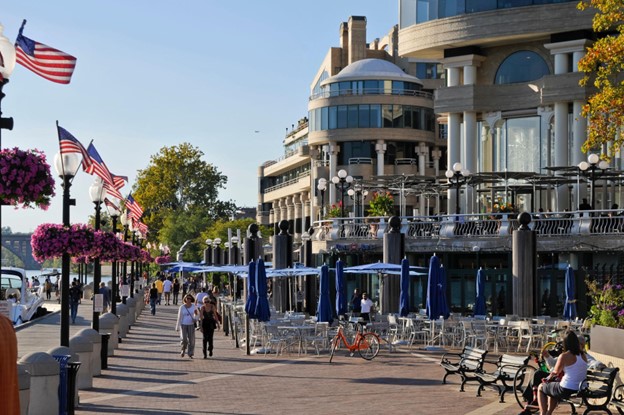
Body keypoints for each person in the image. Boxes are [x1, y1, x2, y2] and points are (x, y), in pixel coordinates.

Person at [536, 331, 588, 415]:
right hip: (581, 388)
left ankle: (543, 413)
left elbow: (555, 372)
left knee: (541, 387)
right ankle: (548, 413)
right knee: (553, 387)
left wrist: (547, 379)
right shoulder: (583, 355)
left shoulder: (564, 356)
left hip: (566, 389)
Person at [175, 294, 199, 358]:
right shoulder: (182, 307)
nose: (188, 300)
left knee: (191, 340)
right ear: (185, 299)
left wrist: (195, 318)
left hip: (191, 324)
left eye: (189, 298)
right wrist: (177, 326)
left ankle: (190, 353)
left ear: (191, 299)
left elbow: (197, 315)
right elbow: (179, 317)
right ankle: (183, 349)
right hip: (183, 324)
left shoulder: (194, 306)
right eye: (187, 298)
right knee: (184, 339)